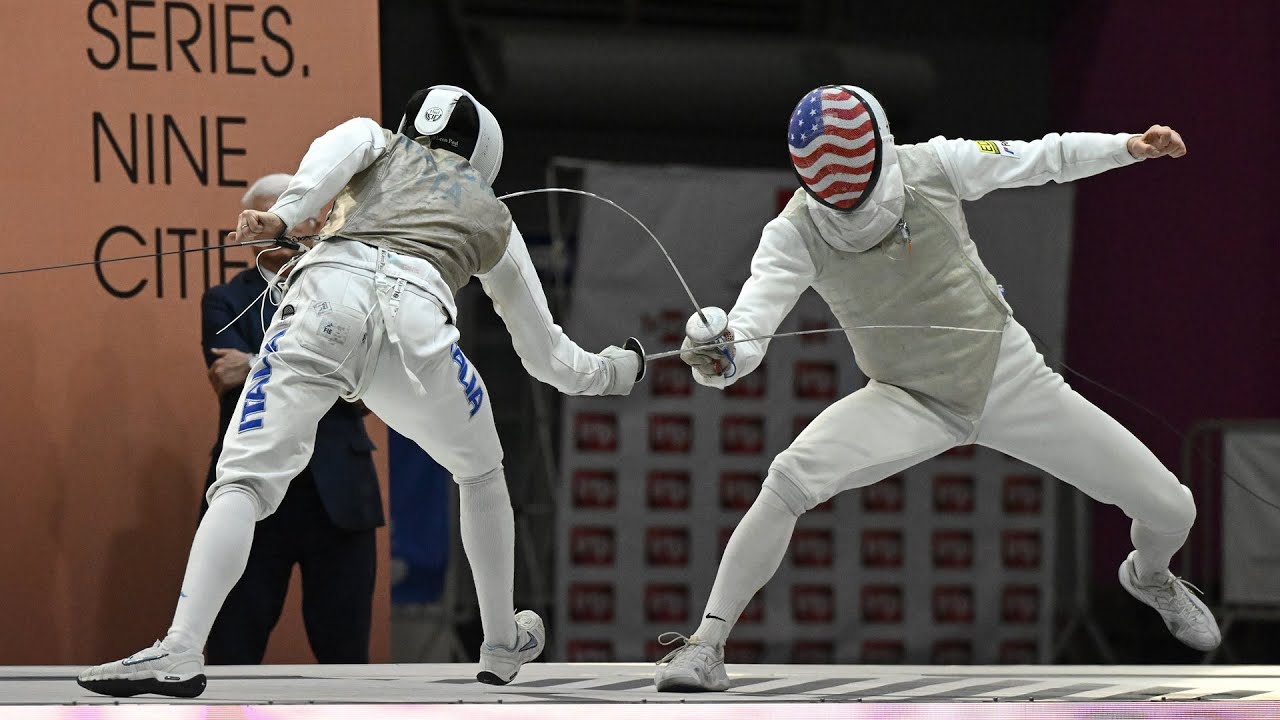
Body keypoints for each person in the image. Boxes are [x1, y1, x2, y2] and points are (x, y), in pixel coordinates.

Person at [78, 84, 644, 698]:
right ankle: (502, 642)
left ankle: (181, 648)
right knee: (482, 470)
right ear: (484, 153)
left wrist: (284, 217)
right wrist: (618, 370)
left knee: (243, 480)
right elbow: (550, 358)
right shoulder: (495, 218)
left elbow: (335, 151)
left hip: (322, 305)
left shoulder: (376, 140)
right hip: (417, 332)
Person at [654, 85, 1219, 692]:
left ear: (881, 149)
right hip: (906, 398)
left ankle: (1150, 576)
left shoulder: (935, 164)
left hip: (1009, 380)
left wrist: (1126, 146)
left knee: (1172, 508)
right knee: (789, 479)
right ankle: (705, 645)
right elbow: (750, 330)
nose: (855, 210)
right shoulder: (794, 234)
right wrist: (721, 354)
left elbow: (1042, 157)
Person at [200, 174, 382, 665]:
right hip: (255, 493)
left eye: (297, 215)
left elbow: (365, 384)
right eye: (271, 217)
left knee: (346, 654)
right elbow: (228, 375)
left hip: (338, 494)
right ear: (248, 231)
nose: (286, 227)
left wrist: (254, 362)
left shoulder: (349, 294)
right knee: (233, 647)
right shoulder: (225, 300)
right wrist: (327, 368)